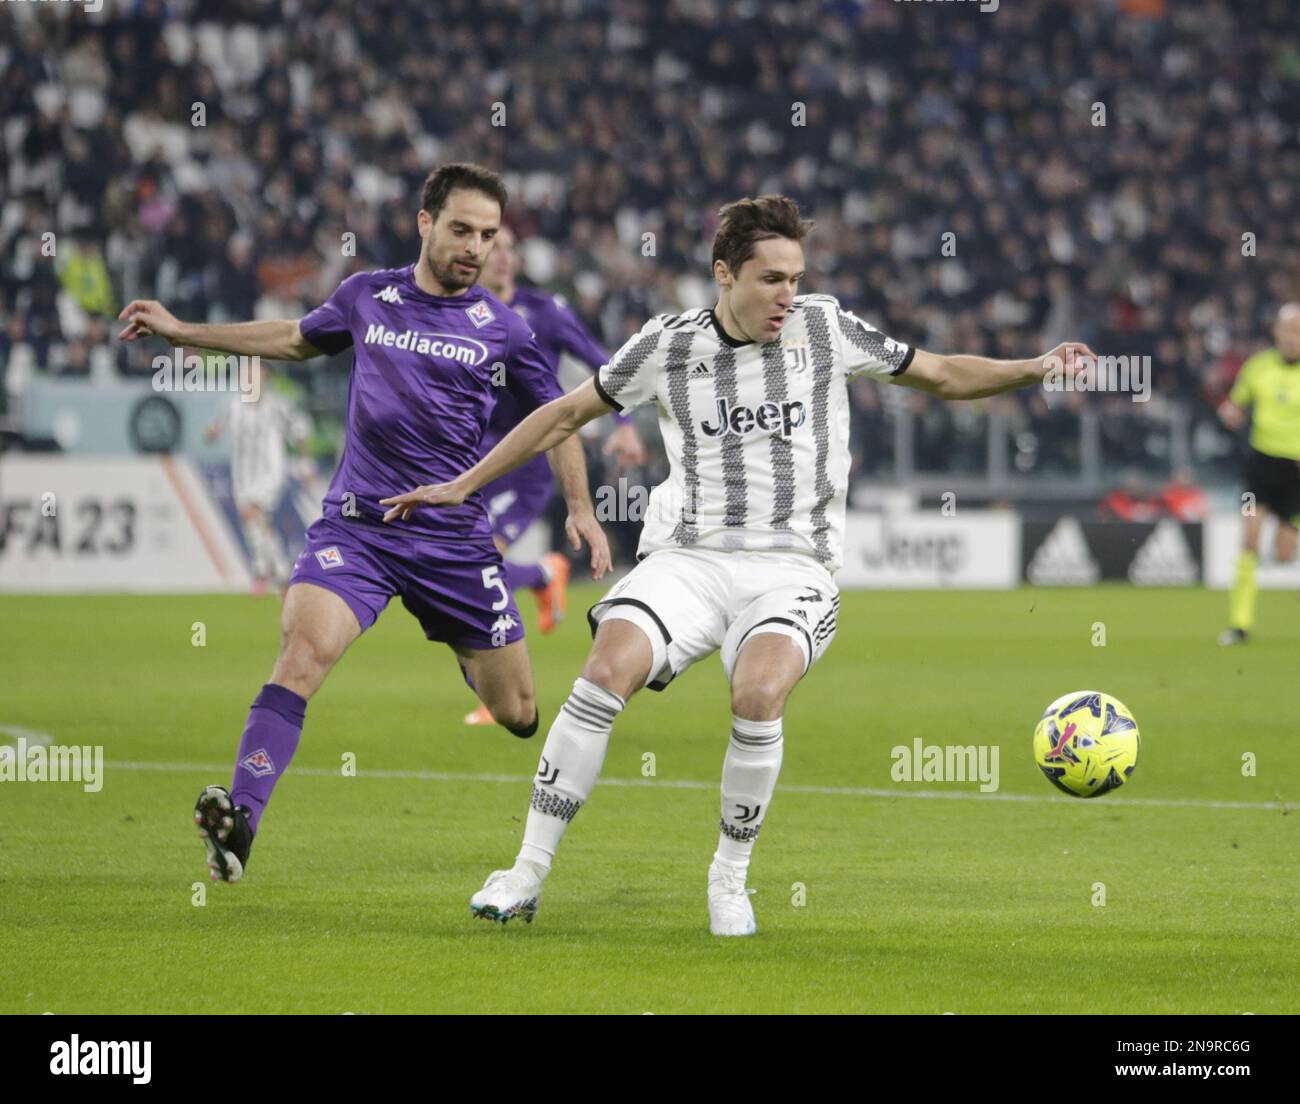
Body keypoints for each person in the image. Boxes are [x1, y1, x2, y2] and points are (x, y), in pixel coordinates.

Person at [380, 194, 1094, 936]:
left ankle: (729, 878)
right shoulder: (665, 346)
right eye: (770, 279)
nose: (788, 294)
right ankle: (526, 870)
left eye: (795, 276)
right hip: (688, 560)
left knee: (757, 694)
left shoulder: (826, 327)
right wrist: (465, 484)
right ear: (724, 274)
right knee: (600, 674)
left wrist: (1036, 367)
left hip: (795, 567)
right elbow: (563, 414)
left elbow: (942, 373)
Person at [117, 162, 611, 883]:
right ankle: (241, 821)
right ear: (424, 223)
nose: (476, 247)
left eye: (489, 235)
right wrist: (184, 331)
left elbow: (561, 419)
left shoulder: (503, 329)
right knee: (303, 653)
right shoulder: (367, 296)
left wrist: (579, 508)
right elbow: (292, 337)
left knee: (518, 711)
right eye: (461, 229)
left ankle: (465, 647)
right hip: (359, 529)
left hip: (453, 539)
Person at [462, 225, 645, 724]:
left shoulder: (545, 312)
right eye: (492, 247)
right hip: (474, 464)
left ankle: (492, 692)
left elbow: (606, 365)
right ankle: (545, 574)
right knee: (460, 575)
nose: (501, 257)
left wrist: (625, 425)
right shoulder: (458, 313)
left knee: (479, 564)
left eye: (508, 247)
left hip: (532, 463)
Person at [1217, 302, 1300, 646]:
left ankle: (1284, 536)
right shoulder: (1258, 367)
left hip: (1296, 472)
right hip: (1260, 469)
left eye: (1299, 332)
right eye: (1289, 331)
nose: (1294, 338)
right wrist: (1230, 411)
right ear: (1276, 333)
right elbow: (1236, 403)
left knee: (1284, 554)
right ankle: (1239, 625)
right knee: (1249, 538)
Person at [205, 362, 313, 596]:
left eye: (255, 373)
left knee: (254, 512)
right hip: (242, 473)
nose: (250, 378)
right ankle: (270, 572)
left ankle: (275, 572)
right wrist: (211, 434)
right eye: (247, 374)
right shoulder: (232, 405)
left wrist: (305, 464)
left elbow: (300, 431)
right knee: (254, 522)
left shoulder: (278, 405)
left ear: (265, 377)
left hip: (271, 471)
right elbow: (214, 430)